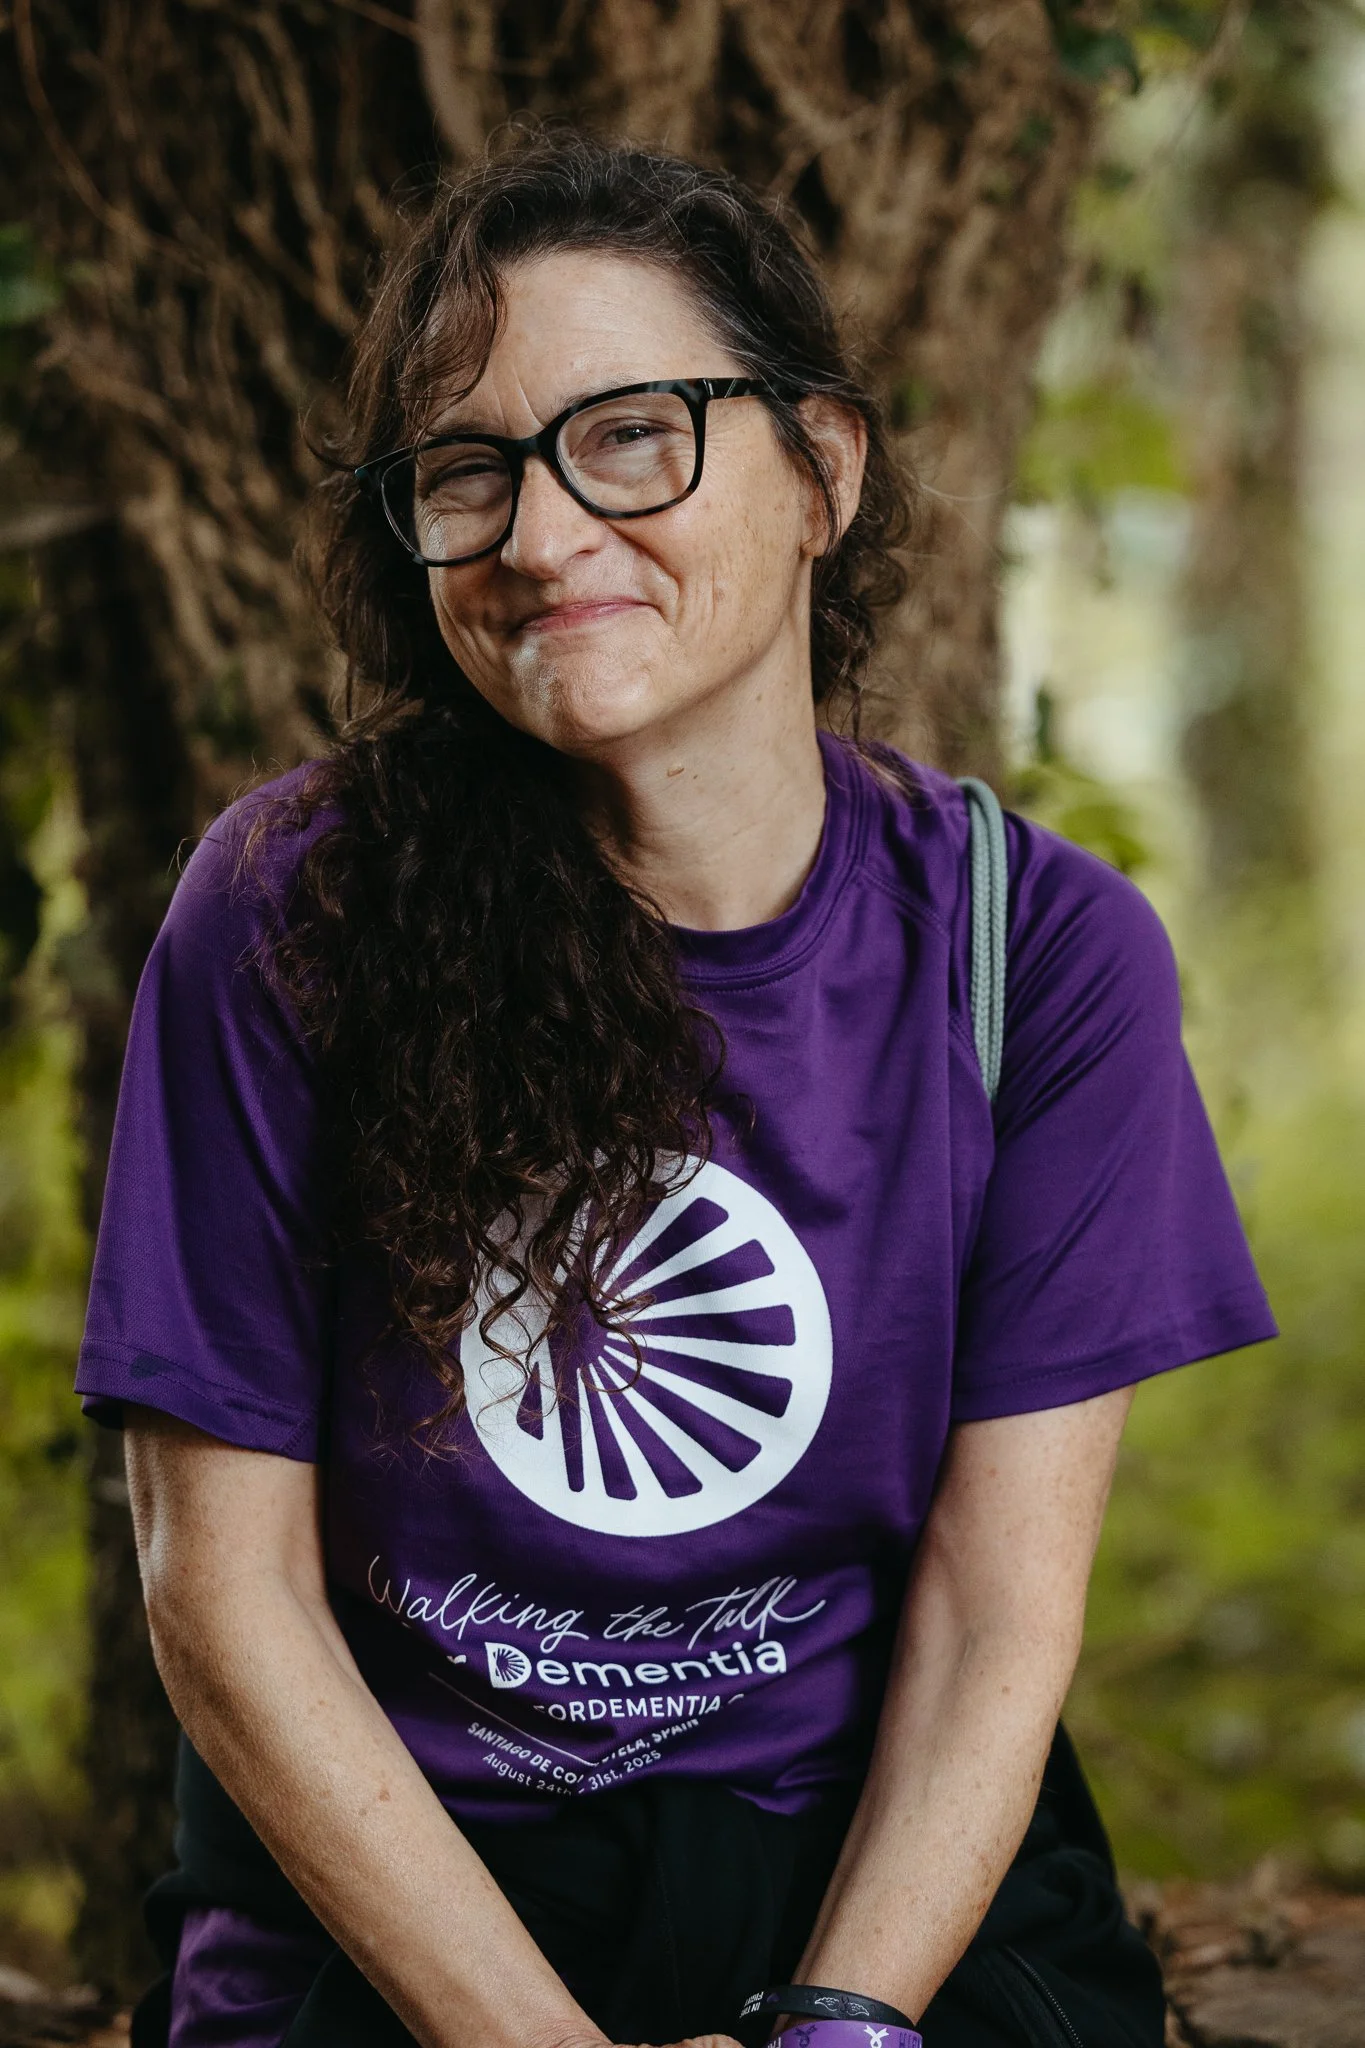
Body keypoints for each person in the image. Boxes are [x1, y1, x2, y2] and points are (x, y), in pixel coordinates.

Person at [76, 131, 1275, 2048]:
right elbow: (223, 1598)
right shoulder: (295, 911)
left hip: (857, 1853)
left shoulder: (1035, 954)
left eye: (631, 436)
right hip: (411, 1886)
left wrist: (845, 2023)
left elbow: (992, 1617)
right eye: (467, 473)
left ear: (825, 471)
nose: (542, 536)